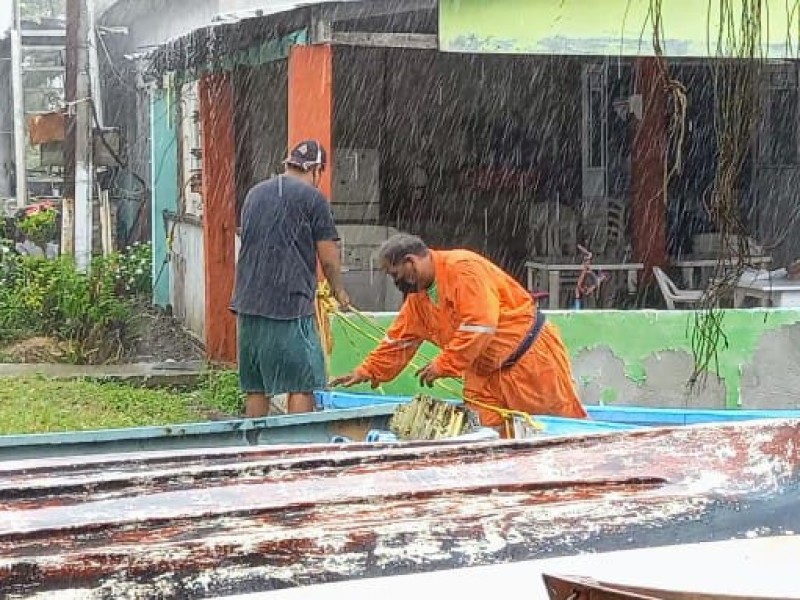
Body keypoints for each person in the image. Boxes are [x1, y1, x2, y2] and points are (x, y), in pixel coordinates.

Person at [330, 233, 586, 434]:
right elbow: (398, 341)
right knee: (484, 435)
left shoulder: (463, 268)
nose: (395, 281)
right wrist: (367, 371)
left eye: (394, 274)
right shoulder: (418, 300)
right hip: (483, 374)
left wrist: (444, 365)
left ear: (410, 263)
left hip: (529, 360)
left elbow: (480, 325)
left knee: (557, 428)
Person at [231, 140, 349, 417]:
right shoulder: (313, 199)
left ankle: (253, 450)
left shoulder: (254, 194)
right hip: (290, 304)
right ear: (317, 169)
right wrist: (339, 291)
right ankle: (299, 448)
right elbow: (329, 257)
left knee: (256, 385)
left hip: (248, 302)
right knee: (302, 383)